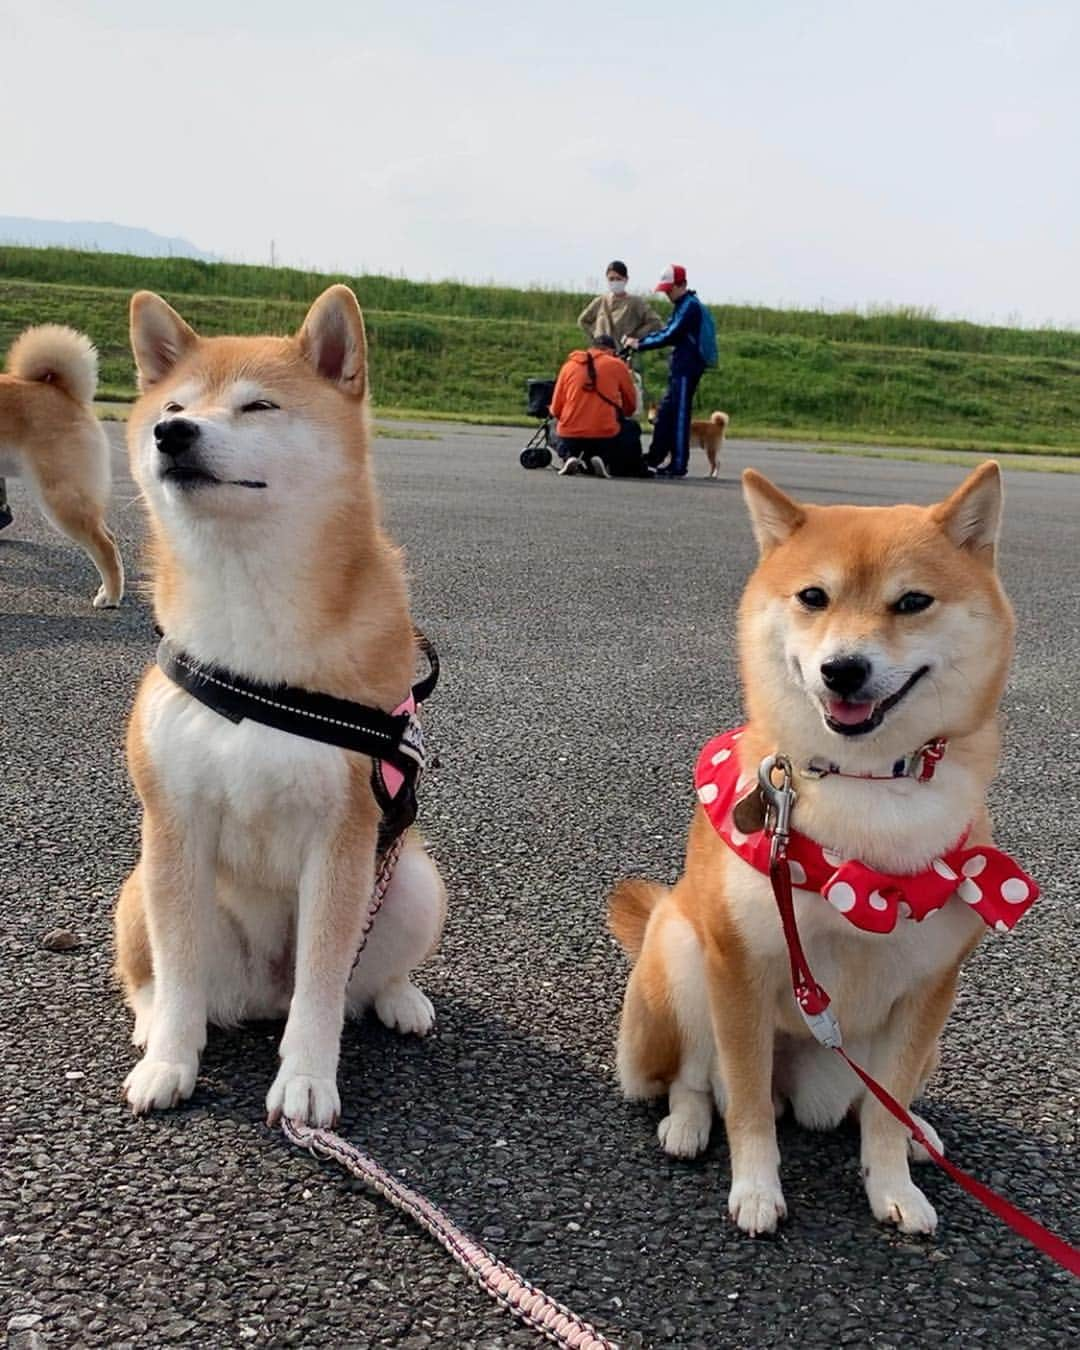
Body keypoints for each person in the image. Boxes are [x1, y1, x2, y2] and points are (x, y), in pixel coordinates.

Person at [624, 264, 717, 478]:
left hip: (687, 368)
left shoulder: (690, 306)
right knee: (665, 414)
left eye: (669, 289)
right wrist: (642, 341)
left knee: (680, 416)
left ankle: (678, 464)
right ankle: (655, 458)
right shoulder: (682, 305)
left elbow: (671, 335)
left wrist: (640, 344)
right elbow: (667, 331)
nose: (666, 293)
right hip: (679, 368)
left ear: (682, 285)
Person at [549, 335, 647, 479]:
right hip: (605, 435)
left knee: (552, 426)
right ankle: (604, 459)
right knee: (631, 428)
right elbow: (630, 405)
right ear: (612, 350)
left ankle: (569, 456)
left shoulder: (569, 366)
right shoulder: (617, 365)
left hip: (570, 435)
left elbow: (556, 409)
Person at [577, 261, 663, 350]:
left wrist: (635, 337)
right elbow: (583, 320)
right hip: (600, 353)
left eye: (618, 279)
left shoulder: (635, 302)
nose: (615, 282)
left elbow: (655, 323)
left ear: (626, 279)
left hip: (621, 353)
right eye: (611, 279)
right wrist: (597, 335)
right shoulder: (601, 301)